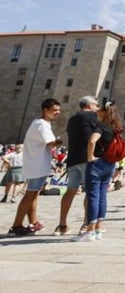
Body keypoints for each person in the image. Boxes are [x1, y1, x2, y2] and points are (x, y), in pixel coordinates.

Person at [8, 98, 62, 236]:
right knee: (30, 195)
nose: (58, 112)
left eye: (58, 110)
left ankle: (33, 222)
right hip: (37, 165)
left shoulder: (39, 123)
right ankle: (16, 225)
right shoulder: (42, 124)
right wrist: (59, 141)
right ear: (45, 110)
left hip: (36, 164)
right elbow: (51, 143)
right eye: (54, 110)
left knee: (34, 194)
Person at [71, 102, 121, 241]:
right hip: (109, 164)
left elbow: (92, 141)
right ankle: (99, 229)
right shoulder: (116, 128)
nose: (97, 111)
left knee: (93, 196)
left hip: (97, 164)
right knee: (102, 196)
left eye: (100, 109)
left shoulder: (102, 126)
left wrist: (90, 157)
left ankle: (89, 231)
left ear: (105, 112)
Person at [54, 95, 99, 236]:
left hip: (73, 159)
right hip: (88, 159)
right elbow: (91, 139)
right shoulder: (93, 118)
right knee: (90, 192)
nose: (97, 108)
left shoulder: (72, 119)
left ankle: (62, 225)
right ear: (89, 105)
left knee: (70, 191)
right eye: (96, 105)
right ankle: (86, 224)